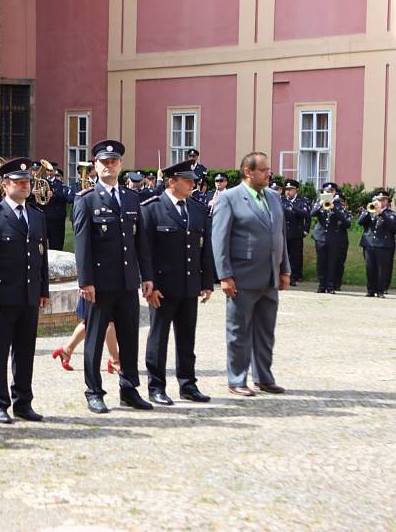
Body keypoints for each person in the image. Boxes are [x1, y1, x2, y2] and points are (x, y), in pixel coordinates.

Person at [73, 139, 154, 414]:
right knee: (94, 338)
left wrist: (147, 276)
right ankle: (94, 391)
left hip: (128, 281)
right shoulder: (86, 199)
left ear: (120, 165)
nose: (109, 166)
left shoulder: (131, 197)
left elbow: (140, 242)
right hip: (100, 283)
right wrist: (85, 281)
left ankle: (129, 389)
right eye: (104, 162)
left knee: (130, 337)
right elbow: (82, 245)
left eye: (114, 161)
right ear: (95, 166)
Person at [0, 157, 49, 423]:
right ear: (5, 185)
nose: (25, 186)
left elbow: (42, 256)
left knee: (25, 350)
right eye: (19, 182)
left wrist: (44, 290)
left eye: (27, 182)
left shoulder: (37, 216)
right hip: (3, 296)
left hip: (29, 295)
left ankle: (23, 402)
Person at [211, 152, 289, 397]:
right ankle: (237, 379)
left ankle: (264, 377)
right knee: (239, 331)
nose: (269, 173)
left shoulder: (274, 198)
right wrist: (224, 276)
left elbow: (280, 236)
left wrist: (284, 269)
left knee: (266, 331)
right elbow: (219, 239)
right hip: (241, 278)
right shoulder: (230, 198)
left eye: (269, 169)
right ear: (248, 172)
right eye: (264, 170)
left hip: (269, 276)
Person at [140, 161, 214, 405]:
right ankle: (156, 386)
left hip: (189, 284)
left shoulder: (197, 209)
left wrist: (206, 282)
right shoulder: (152, 209)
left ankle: (188, 384)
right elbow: (146, 251)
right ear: (172, 181)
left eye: (193, 180)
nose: (193, 184)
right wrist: (149, 282)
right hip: (163, 287)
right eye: (187, 180)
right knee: (159, 338)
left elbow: (205, 248)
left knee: (187, 338)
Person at [311, 182, 351, 294]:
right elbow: (312, 214)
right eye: (326, 191)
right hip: (321, 237)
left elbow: (347, 222)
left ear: (334, 193)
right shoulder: (318, 203)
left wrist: (334, 209)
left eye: (331, 192)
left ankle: (331, 286)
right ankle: (321, 285)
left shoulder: (339, 206)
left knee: (332, 262)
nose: (328, 193)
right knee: (321, 262)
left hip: (334, 238)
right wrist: (320, 204)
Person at [358, 190, 396, 298]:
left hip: (384, 245)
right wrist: (367, 211)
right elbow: (360, 222)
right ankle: (370, 289)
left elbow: (393, 227)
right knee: (370, 268)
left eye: (383, 200)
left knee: (382, 269)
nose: (380, 202)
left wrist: (381, 213)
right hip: (369, 244)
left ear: (387, 202)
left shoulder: (391, 214)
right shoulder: (370, 212)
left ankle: (381, 290)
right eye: (379, 199)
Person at [281, 179, 311, 286]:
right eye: (287, 190)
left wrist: (306, 230)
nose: (288, 192)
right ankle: (283, 276)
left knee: (295, 257)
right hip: (283, 233)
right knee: (283, 256)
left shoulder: (302, 201)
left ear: (296, 190)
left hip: (296, 233)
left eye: (291, 189)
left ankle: (293, 277)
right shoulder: (281, 200)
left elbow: (307, 216)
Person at [44, 168, 71, 250]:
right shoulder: (42, 182)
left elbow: (65, 198)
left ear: (54, 171)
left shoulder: (60, 184)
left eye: (51, 170)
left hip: (57, 217)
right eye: (47, 170)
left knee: (57, 242)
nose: (49, 172)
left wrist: (54, 194)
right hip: (45, 215)